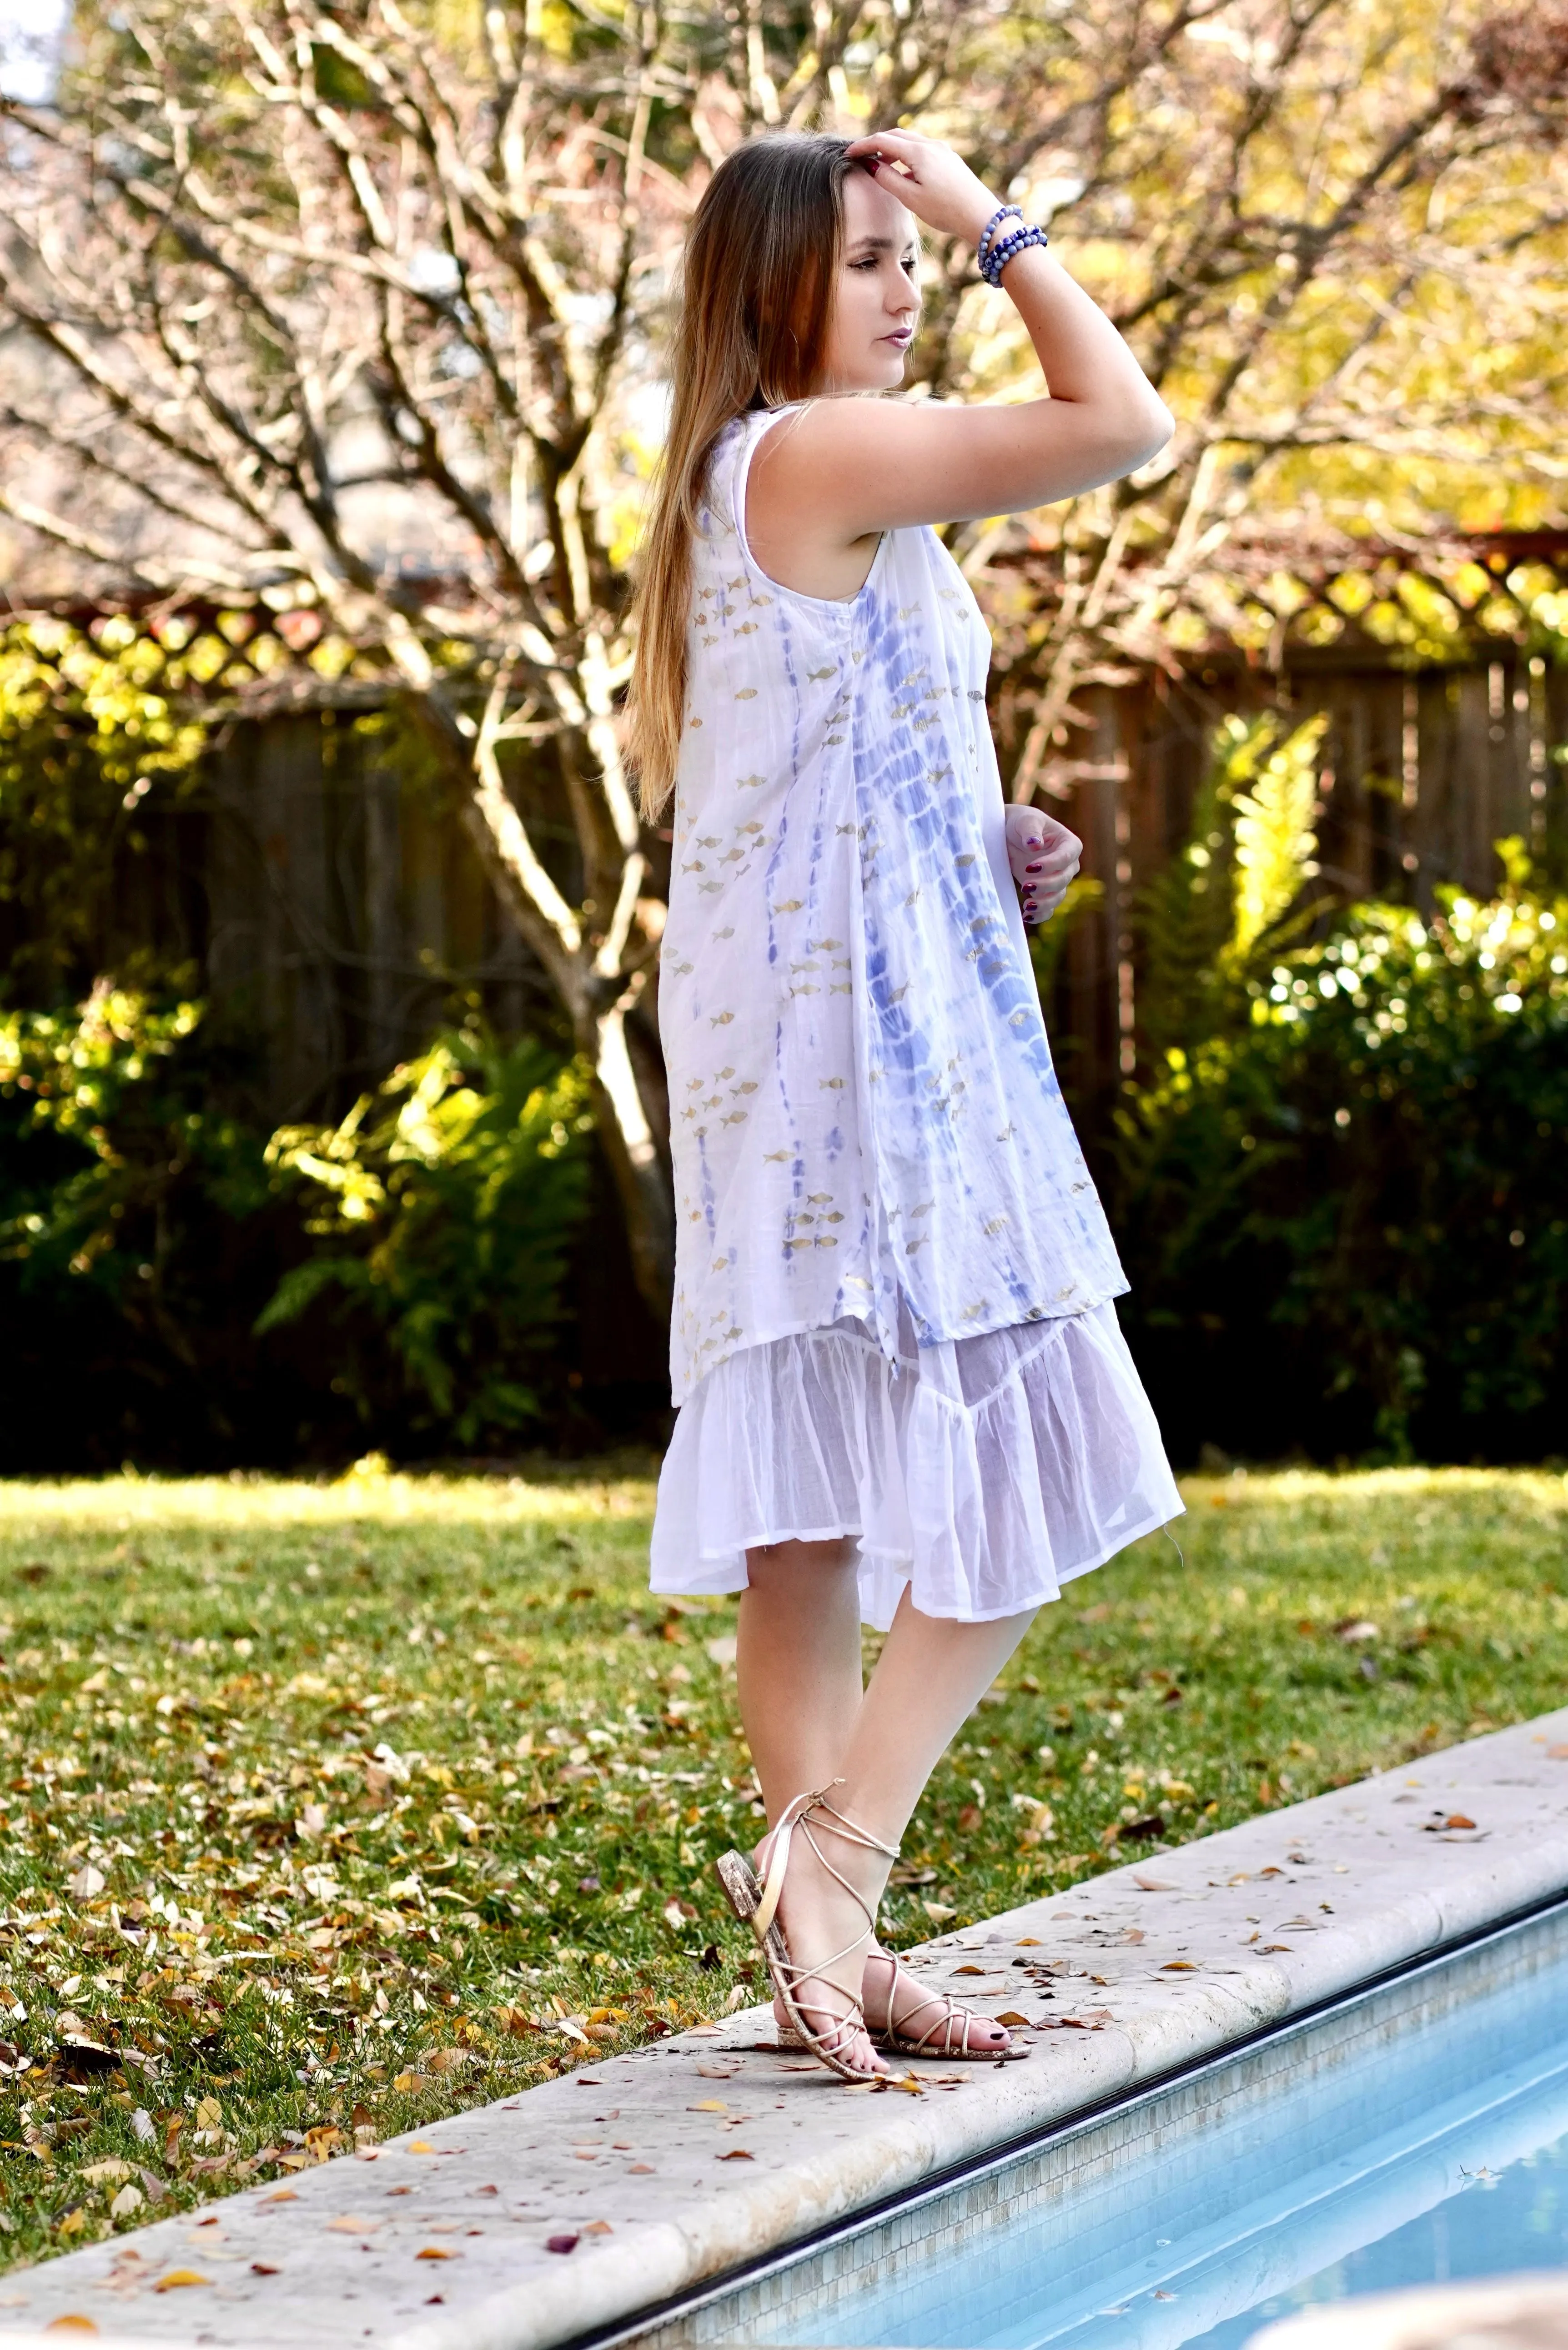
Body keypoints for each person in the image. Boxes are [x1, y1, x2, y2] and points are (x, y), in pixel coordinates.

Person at [627, 127, 1183, 2083]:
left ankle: (826, 1950)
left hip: (831, 1026)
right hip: (867, 1060)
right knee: (1037, 1432)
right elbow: (1121, 418)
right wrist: (990, 213)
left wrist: (985, 834)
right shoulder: (807, 446)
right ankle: (835, 1874)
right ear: (773, 282)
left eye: (909, 258)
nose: (900, 287)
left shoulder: (776, 479)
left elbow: (834, 763)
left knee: (808, 1524)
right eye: (867, 258)